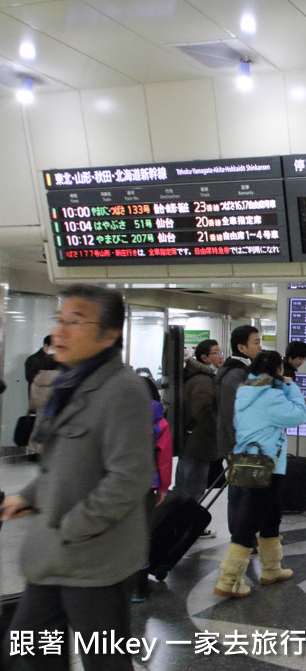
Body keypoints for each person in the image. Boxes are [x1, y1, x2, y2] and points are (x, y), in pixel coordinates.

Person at [0, 284, 154, 671]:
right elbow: (65, 462)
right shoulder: (70, 385)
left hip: (93, 560)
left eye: (76, 321)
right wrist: (30, 495)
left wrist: (74, 525)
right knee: (27, 658)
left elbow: (130, 476)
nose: (60, 332)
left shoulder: (122, 390)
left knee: (104, 661)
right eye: (60, 320)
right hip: (51, 557)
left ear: (110, 334)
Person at [216, 350, 306, 598]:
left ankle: (272, 569)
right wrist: (292, 388)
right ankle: (229, 579)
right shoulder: (270, 396)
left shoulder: (245, 391)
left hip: (247, 461)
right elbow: (299, 415)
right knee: (250, 519)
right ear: (277, 371)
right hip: (267, 465)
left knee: (270, 515)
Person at [174, 340, 223, 518]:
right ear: (204, 357)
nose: (220, 356)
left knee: (183, 486)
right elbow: (202, 410)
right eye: (216, 352)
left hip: (191, 441)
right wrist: (214, 429)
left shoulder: (196, 377)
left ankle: (176, 522)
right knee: (193, 488)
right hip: (199, 443)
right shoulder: (203, 380)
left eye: (220, 352)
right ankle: (186, 524)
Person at [134, 398, 174, 603]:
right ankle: (138, 587)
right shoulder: (159, 421)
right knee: (142, 533)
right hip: (145, 484)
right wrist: (163, 487)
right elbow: (164, 457)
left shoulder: (116, 412)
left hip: (115, 483)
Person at [214, 325, 262, 483]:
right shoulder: (235, 375)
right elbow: (232, 414)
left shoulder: (243, 371)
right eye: (256, 342)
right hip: (240, 446)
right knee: (244, 492)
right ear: (241, 347)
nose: (259, 347)